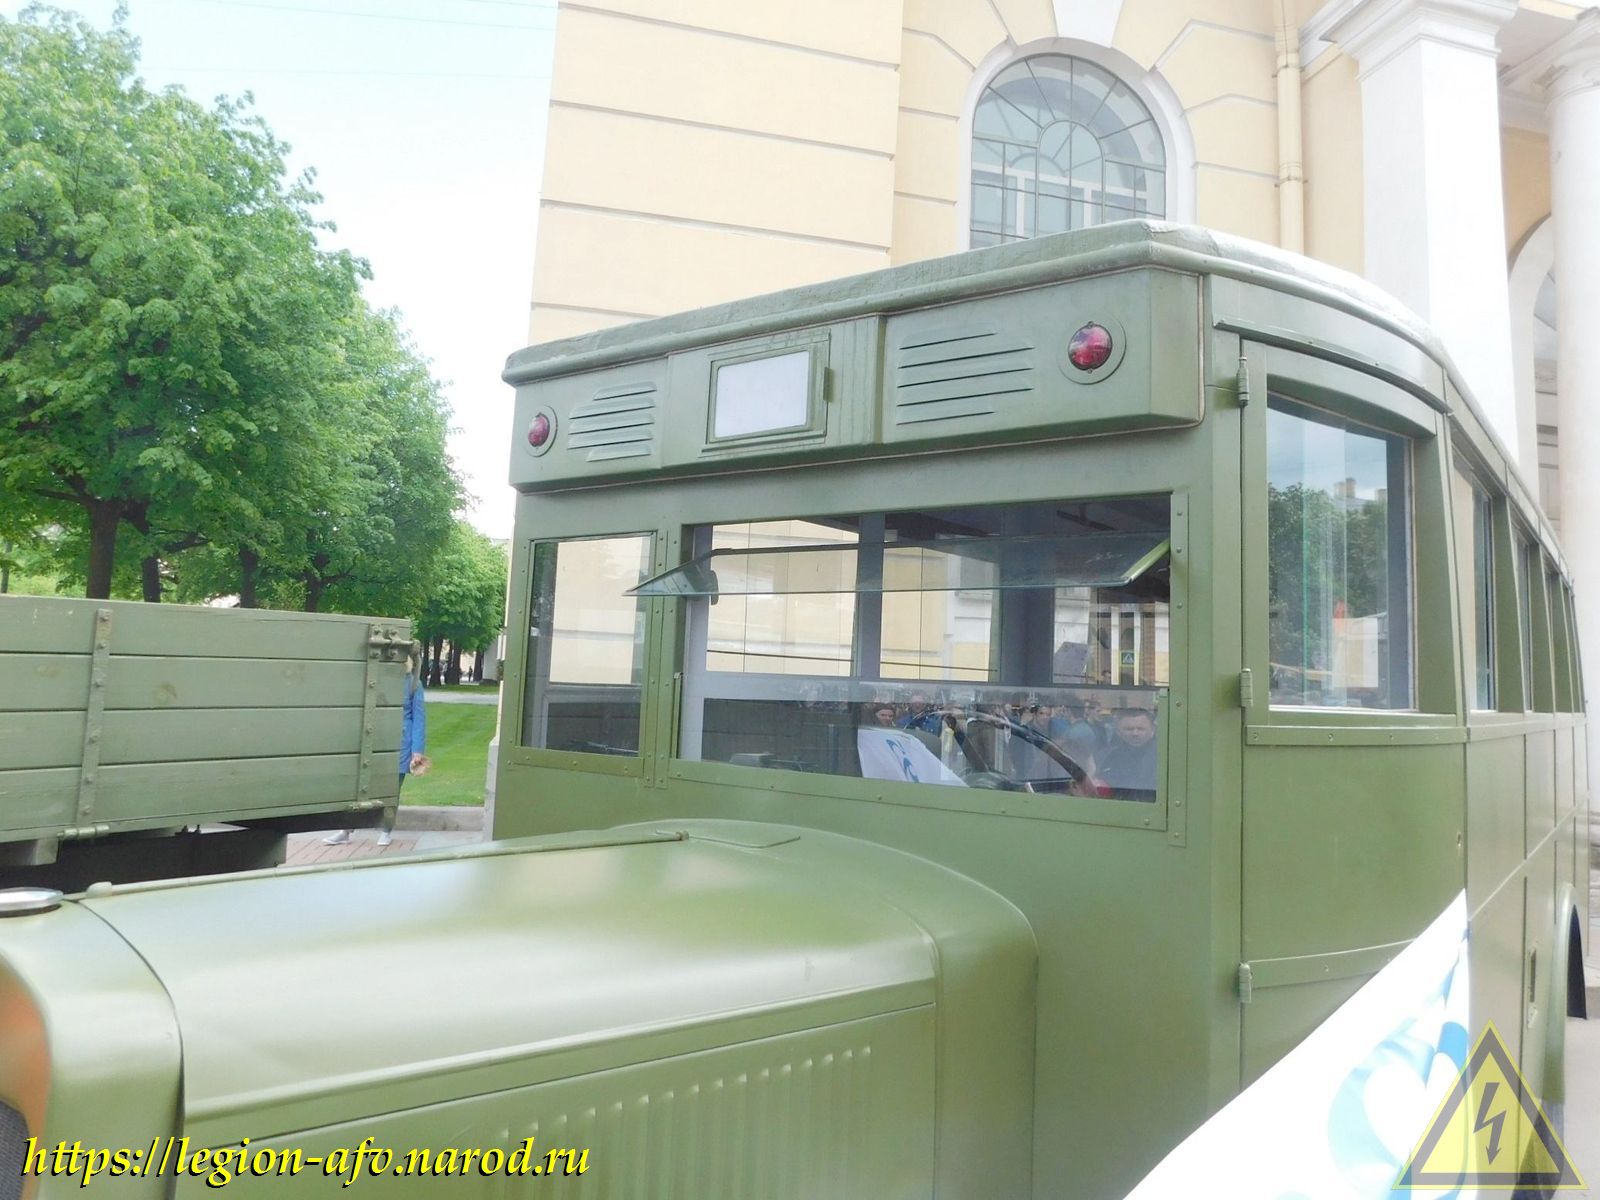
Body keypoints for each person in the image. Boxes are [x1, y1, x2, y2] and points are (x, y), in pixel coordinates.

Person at [326, 648, 428, 846]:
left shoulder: (413, 684)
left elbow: (419, 719)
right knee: (359, 788)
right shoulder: (376, 680)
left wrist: (417, 751)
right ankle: (346, 830)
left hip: (401, 744)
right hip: (374, 740)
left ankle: (386, 830)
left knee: (392, 789)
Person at [1097, 707, 1158, 799]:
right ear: (1118, 731)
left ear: (1152, 729)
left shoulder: (1163, 756)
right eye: (1129, 729)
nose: (1135, 733)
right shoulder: (1110, 758)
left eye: (1141, 729)